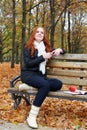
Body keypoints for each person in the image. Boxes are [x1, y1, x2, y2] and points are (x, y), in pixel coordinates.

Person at [21, 26, 64, 129]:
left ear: (44, 36)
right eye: (38, 32)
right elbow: (28, 64)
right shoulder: (27, 47)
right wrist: (42, 57)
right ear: (34, 34)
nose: (40, 34)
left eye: (42, 33)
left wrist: (60, 50)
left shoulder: (46, 47)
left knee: (58, 84)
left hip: (40, 76)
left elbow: (60, 51)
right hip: (29, 74)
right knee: (44, 85)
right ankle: (31, 116)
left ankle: (27, 87)